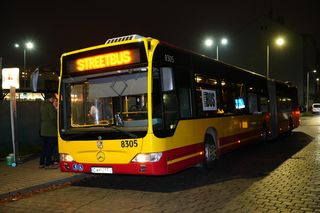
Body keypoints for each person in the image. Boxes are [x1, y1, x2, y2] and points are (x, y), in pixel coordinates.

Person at [39, 93, 58, 169]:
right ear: (52, 98)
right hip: (50, 130)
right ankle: (48, 164)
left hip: (43, 130)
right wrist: (55, 109)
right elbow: (53, 117)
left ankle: (41, 163)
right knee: (50, 148)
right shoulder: (50, 106)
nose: (55, 100)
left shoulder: (43, 105)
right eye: (55, 99)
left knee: (44, 147)